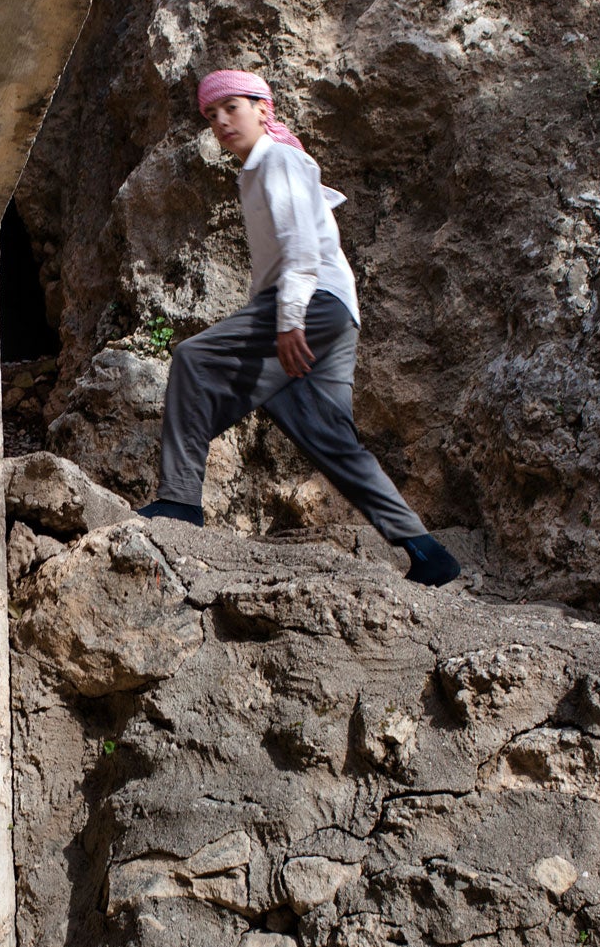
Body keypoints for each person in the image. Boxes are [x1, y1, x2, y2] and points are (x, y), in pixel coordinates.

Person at [137, 69, 461, 587]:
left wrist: (288, 322)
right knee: (327, 436)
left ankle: (179, 501)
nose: (221, 121)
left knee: (194, 360)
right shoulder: (260, 170)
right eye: (211, 115)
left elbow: (302, 251)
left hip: (312, 304)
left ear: (264, 109)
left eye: (232, 108)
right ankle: (426, 551)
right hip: (334, 310)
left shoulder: (278, 159)